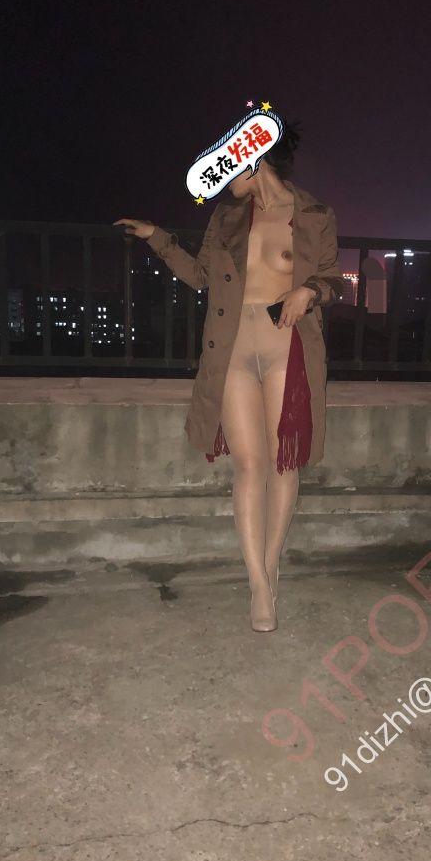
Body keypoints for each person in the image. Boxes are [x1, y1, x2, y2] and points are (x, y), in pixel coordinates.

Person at [114, 122, 342, 633]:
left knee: (284, 465)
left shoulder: (315, 214)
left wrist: (309, 290)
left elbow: (331, 279)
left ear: (254, 160)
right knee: (249, 465)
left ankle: (271, 563)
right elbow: (200, 276)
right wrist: (157, 238)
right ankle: (258, 583)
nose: (220, 179)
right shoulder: (227, 216)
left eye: (227, 167)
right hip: (234, 347)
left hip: (287, 346)